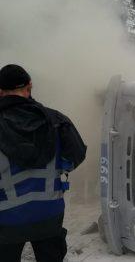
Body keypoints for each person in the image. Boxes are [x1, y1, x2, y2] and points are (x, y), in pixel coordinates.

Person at [0, 64, 86, 262]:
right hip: (49, 215)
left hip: (6, 220)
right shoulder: (56, 120)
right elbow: (76, 155)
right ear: (29, 87)